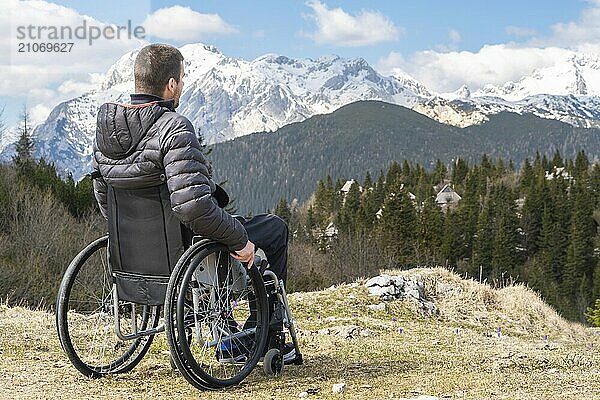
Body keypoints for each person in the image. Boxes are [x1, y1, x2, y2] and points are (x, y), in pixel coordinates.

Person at [91, 43, 294, 361]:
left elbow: (105, 195)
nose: (182, 86)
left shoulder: (106, 131)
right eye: (182, 80)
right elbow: (192, 206)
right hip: (184, 247)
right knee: (273, 229)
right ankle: (262, 335)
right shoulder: (173, 128)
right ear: (171, 84)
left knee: (214, 234)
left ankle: (227, 331)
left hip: (134, 254)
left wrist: (136, 232)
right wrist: (239, 240)